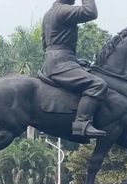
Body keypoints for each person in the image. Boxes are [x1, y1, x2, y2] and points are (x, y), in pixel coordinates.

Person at [42, 0, 108, 138]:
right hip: (61, 64)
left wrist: (74, 61)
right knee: (97, 84)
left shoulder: (49, 13)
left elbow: (47, 44)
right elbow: (90, 12)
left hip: (58, 60)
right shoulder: (62, 11)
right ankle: (82, 123)